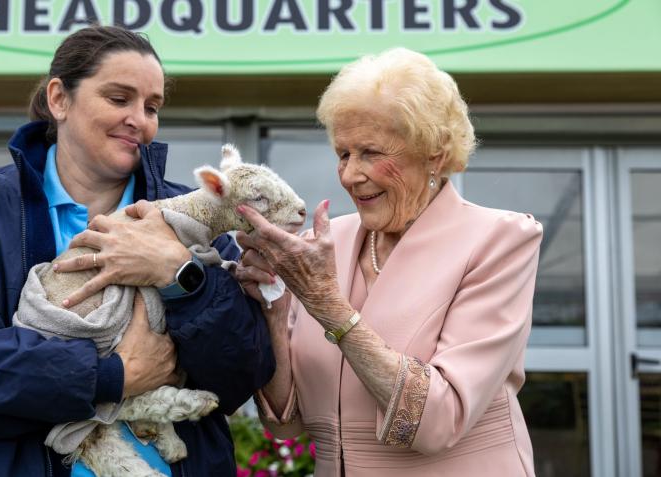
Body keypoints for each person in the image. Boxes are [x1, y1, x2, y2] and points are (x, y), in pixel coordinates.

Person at [0, 26, 274, 477]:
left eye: (152, 107)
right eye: (118, 98)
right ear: (59, 99)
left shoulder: (189, 221)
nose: (139, 119)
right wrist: (112, 375)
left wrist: (179, 274)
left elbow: (243, 373)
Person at [233, 48, 543, 476]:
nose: (350, 175)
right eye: (343, 153)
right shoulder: (326, 245)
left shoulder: (498, 240)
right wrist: (273, 306)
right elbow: (285, 423)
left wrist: (325, 302)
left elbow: (437, 421)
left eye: (371, 153)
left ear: (434, 153)